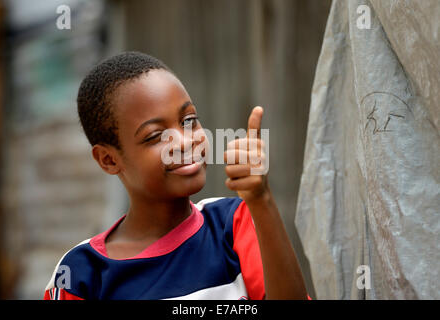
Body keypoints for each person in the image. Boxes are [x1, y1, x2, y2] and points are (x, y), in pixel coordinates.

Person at [43, 52, 307, 300]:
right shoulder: (80, 274)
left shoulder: (233, 224)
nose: (183, 141)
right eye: (155, 135)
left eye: (189, 120)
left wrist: (262, 201)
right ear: (109, 159)